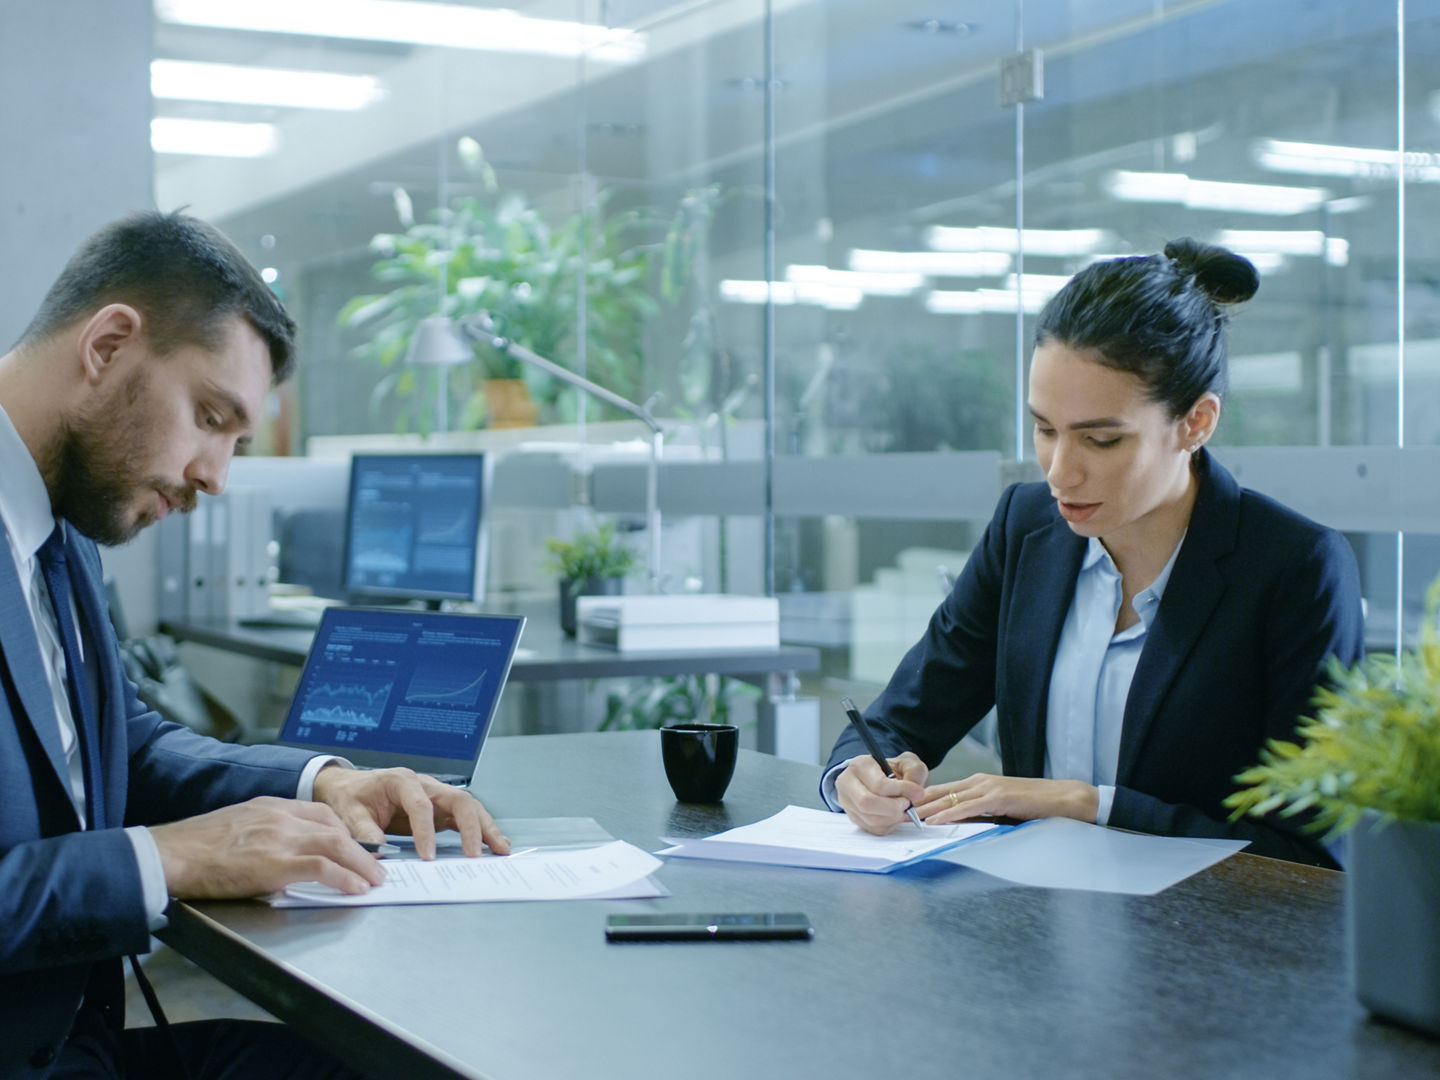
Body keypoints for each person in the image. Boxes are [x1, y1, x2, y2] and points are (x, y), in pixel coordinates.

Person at [0, 210, 511, 1079]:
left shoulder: (59, 525)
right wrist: (168, 857)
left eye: (236, 440)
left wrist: (327, 781)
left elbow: (134, 746)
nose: (216, 476)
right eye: (209, 416)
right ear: (108, 345)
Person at [823, 239, 1363, 867]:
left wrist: (1088, 803)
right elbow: (901, 718)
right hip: (1028, 930)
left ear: (1196, 422)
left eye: (1101, 440)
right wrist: (854, 777)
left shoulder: (1295, 567)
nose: (1060, 473)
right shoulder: (1025, 528)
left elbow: (1313, 853)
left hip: (1204, 949)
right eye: (1044, 429)